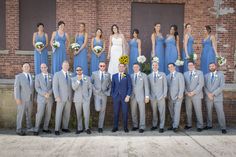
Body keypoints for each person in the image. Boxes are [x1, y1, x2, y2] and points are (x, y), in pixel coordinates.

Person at [204, 62, 227, 134]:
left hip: (217, 97)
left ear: (215, 67)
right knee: (208, 112)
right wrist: (208, 94)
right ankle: (209, 125)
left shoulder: (221, 75)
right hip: (208, 97)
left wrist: (213, 94)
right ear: (209, 68)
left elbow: (222, 86)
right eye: (210, 66)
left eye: (212, 66)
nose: (211, 67)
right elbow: (204, 87)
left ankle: (223, 127)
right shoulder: (206, 76)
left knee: (220, 112)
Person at [14, 62, 34, 136]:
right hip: (22, 99)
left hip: (30, 99)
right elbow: (16, 89)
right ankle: (18, 129)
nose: (26, 68)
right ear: (22, 68)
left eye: (28, 66)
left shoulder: (31, 76)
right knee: (20, 114)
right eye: (25, 66)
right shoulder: (19, 77)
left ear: (29, 68)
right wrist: (17, 98)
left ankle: (29, 127)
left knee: (29, 114)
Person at [53, 60, 72, 135]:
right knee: (58, 113)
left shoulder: (71, 74)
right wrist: (56, 96)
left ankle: (65, 127)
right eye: (64, 65)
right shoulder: (57, 74)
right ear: (62, 66)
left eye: (67, 65)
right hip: (60, 98)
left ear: (69, 66)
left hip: (69, 98)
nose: (66, 67)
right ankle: (56, 129)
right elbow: (55, 87)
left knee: (67, 114)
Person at [111, 63, 132, 133]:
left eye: (123, 66)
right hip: (116, 97)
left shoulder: (127, 76)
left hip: (125, 97)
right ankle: (115, 127)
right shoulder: (114, 76)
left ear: (125, 68)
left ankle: (125, 127)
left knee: (125, 112)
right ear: (118, 67)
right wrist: (113, 95)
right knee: (116, 112)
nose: (121, 68)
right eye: (120, 66)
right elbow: (112, 87)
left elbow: (129, 87)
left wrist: (128, 96)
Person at [91, 62, 111, 133]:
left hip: (104, 94)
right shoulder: (94, 73)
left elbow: (110, 84)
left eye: (103, 66)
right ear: (99, 66)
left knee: (103, 110)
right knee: (98, 108)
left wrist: (108, 92)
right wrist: (95, 91)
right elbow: (91, 83)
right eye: (101, 66)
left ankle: (100, 127)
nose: (102, 67)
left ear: (105, 66)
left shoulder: (108, 74)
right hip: (97, 94)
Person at [184, 61, 204, 132]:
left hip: (197, 95)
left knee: (198, 111)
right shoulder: (185, 74)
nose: (190, 66)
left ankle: (200, 126)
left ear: (194, 65)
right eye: (189, 65)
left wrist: (193, 92)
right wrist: (186, 92)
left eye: (191, 65)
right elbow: (184, 85)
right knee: (188, 111)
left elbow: (201, 84)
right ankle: (189, 124)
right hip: (188, 96)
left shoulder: (200, 73)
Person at [34, 63, 53, 135]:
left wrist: (49, 93)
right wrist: (44, 94)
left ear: (47, 68)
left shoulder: (51, 76)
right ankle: (36, 129)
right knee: (39, 114)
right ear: (40, 68)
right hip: (41, 98)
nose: (43, 68)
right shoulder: (37, 77)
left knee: (48, 114)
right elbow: (37, 88)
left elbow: (53, 86)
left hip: (50, 98)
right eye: (42, 67)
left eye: (45, 67)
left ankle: (45, 128)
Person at [72, 66, 92, 134]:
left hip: (86, 99)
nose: (79, 71)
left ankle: (87, 128)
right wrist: (78, 81)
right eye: (77, 70)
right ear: (76, 71)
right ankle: (79, 128)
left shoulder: (87, 78)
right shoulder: (73, 79)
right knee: (79, 114)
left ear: (82, 70)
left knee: (86, 114)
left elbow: (90, 88)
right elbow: (74, 88)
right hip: (77, 99)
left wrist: (89, 97)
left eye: (80, 70)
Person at [148, 61, 167, 133]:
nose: (154, 66)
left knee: (162, 112)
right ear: (152, 67)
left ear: (158, 66)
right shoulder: (149, 76)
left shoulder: (162, 74)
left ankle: (161, 126)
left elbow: (165, 85)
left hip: (161, 96)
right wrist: (149, 96)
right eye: (153, 65)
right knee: (154, 112)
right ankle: (154, 125)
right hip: (152, 97)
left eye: (156, 65)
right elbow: (148, 87)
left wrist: (164, 94)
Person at [130, 63, 149, 133]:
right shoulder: (131, 76)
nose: (135, 68)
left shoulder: (144, 75)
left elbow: (146, 86)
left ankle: (142, 126)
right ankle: (135, 125)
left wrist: (147, 96)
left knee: (142, 112)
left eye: (137, 67)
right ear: (132, 68)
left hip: (141, 96)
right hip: (132, 97)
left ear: (139, 68)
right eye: (134, 67)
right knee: (133, 112)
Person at [167, 63, 185, 132]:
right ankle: (173, 124)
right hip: (170, 97)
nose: (170, 68)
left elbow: (182, 85)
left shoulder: (179, 75)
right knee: (172, 112)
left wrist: (180, 94)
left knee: (177, 112)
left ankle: (175, 126)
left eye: (171, 66)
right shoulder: (167, 76)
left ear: (174, 67)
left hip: (178, 97)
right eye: (169, 67)